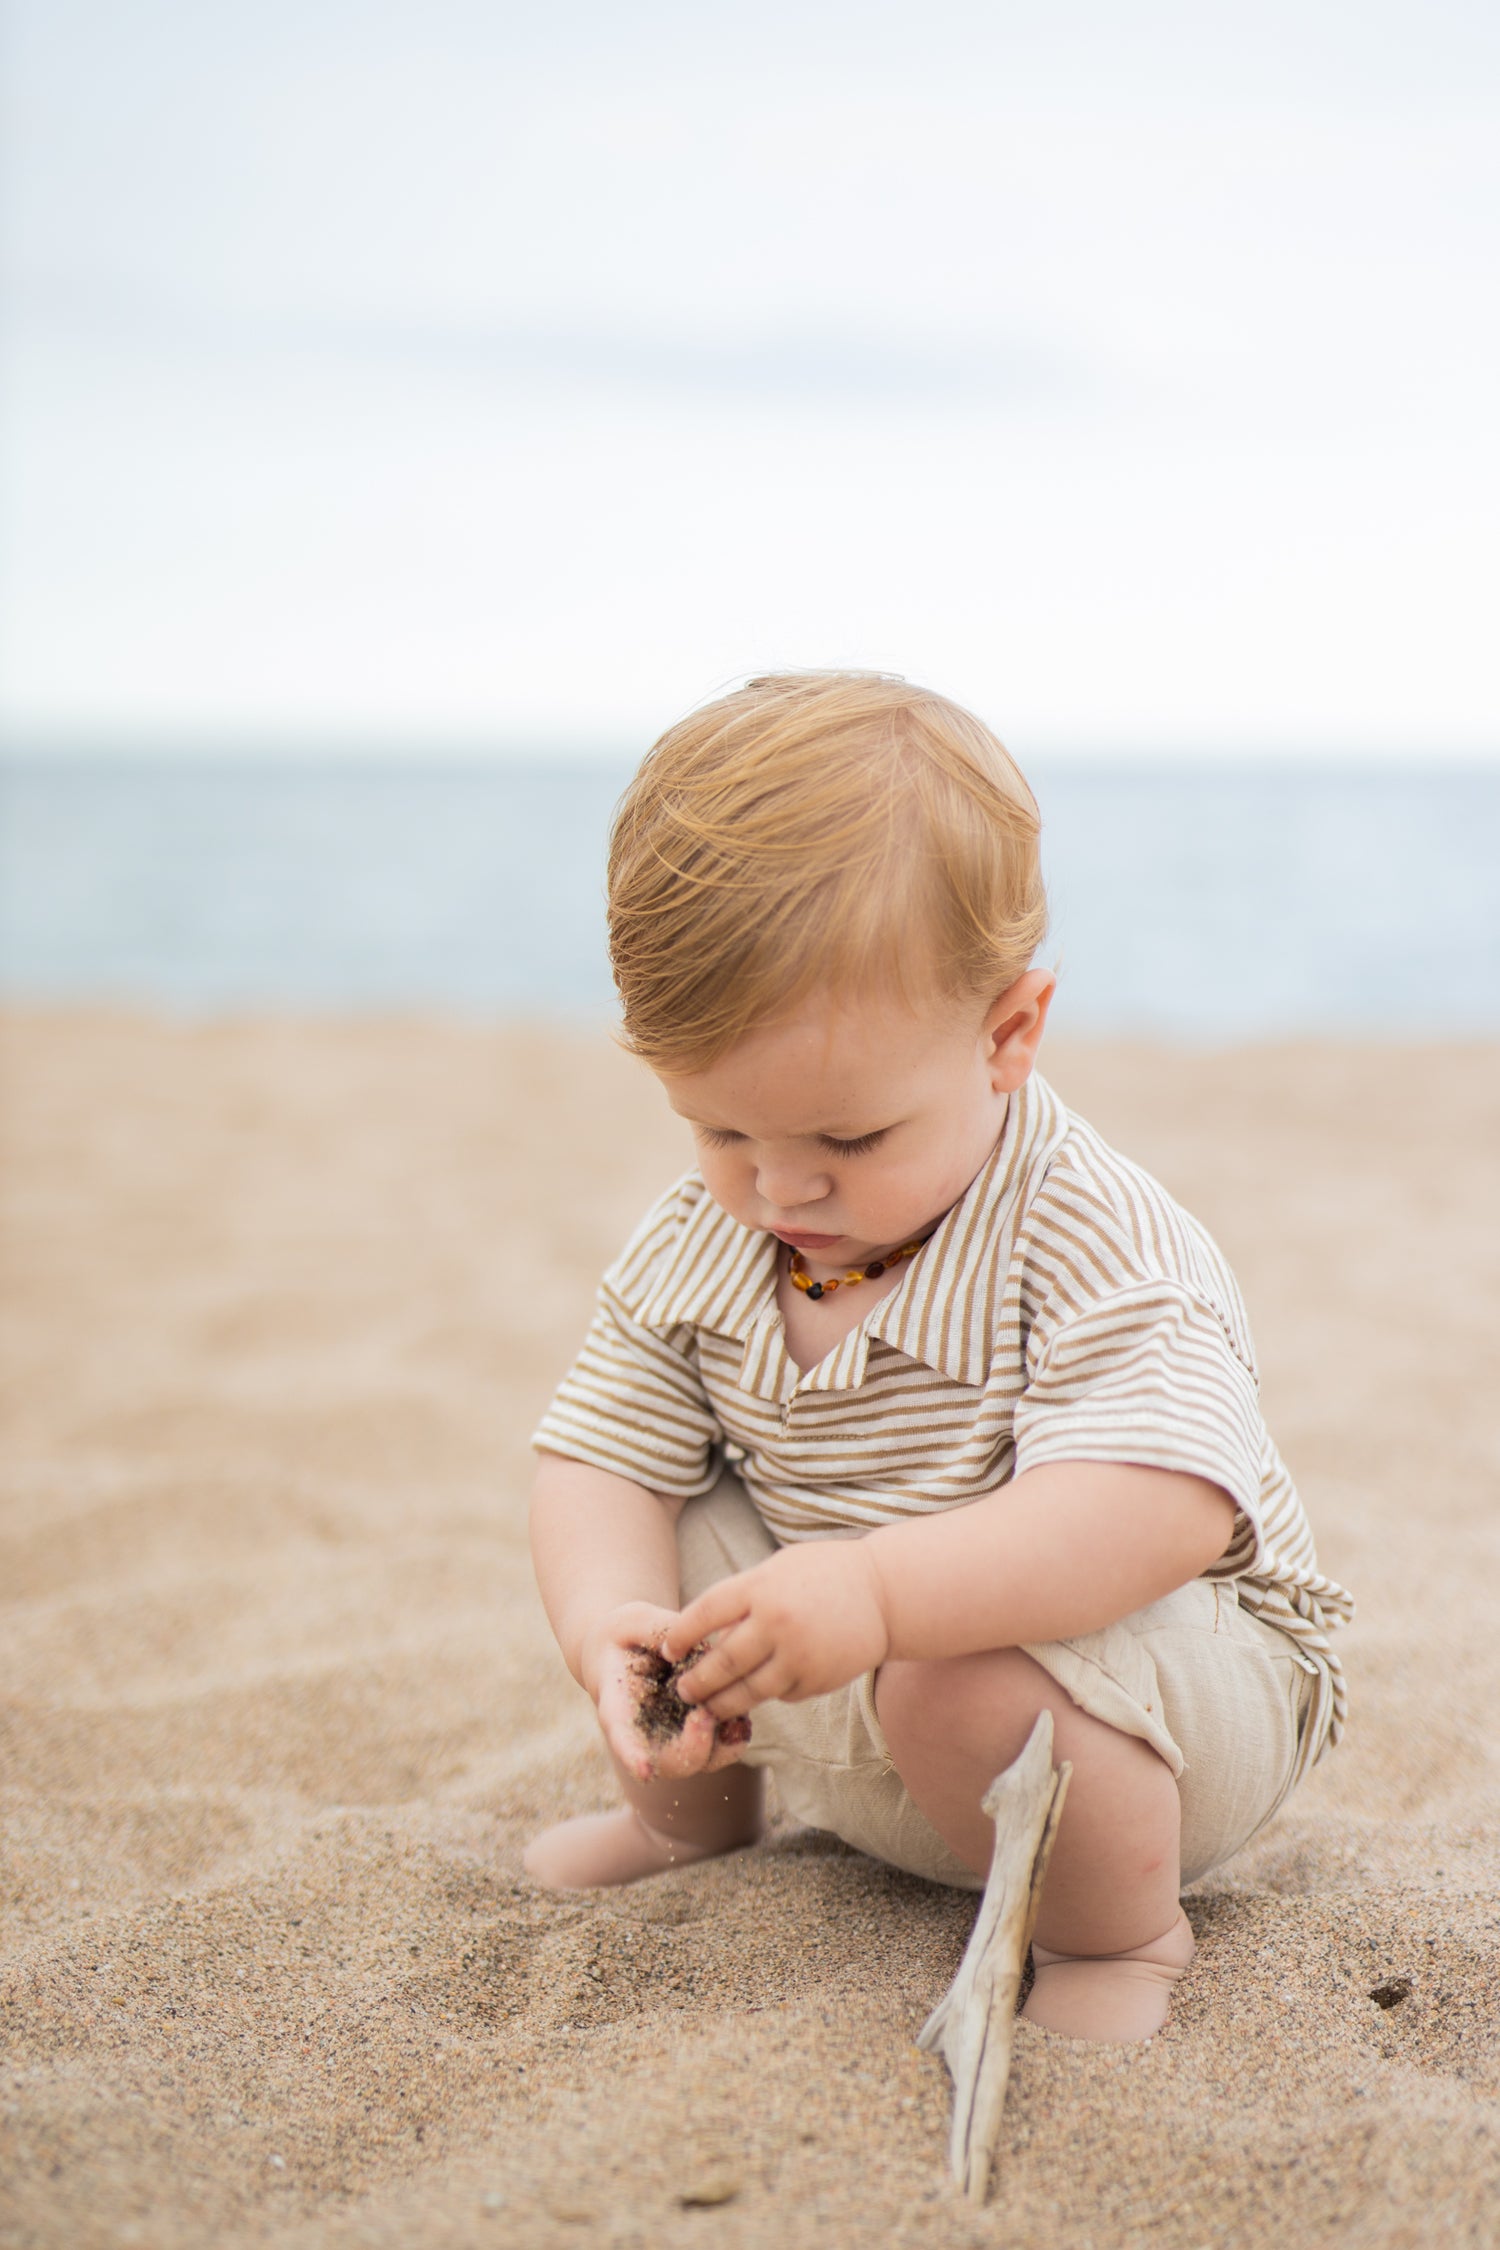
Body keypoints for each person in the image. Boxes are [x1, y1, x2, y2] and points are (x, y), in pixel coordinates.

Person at [524, 671, 1352, 2043]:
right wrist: (602, 1616)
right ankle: (688, 1815)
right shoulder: (712, 1232)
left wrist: (884, 1591)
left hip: (1158, 1710)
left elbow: (1161, 1505)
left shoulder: (1091, 1230)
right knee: (653, 1534)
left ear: (1008, 1034)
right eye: (719, 1130)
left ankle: (1119, 1935)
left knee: (955, 1669)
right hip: (871, 1683)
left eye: (848, 1139)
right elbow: (600, 1448)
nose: (782, 1188)